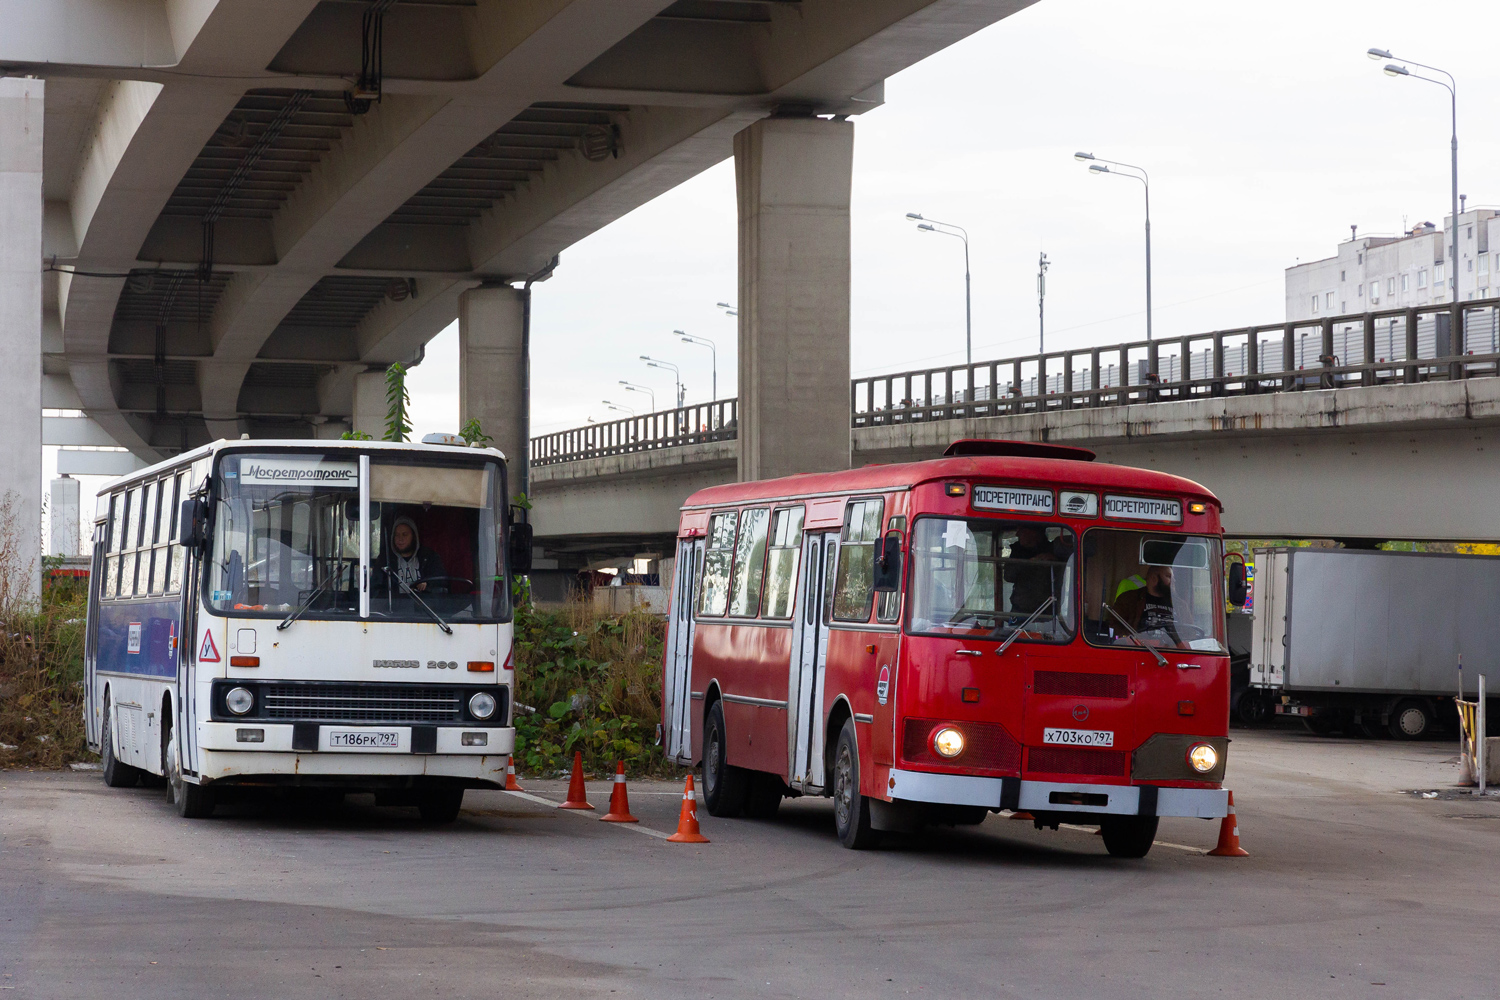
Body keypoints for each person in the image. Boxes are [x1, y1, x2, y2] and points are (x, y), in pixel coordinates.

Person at [375, 516, 446, 596]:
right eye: (396, 535)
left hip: (423, 607)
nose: (400, 539)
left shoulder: (429, 557)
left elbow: (441, 582)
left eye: (404, 534)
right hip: (394, 607)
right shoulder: (385, 560)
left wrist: (427, 584)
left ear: (414, 536)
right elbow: (376, 588)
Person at [1006, 525, 1062, 615]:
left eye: (1021, 530)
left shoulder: (1053, 550)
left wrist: (1055, 562)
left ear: (1033, 533)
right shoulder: (1017, 551)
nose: (1017, 534)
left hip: (1048, 610)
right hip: (1021, 609)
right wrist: (1029, 563)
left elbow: (1068, 576)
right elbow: (1008, 576)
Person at [1113, 565, 1176, 638]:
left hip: (1171, 648)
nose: (1174, 580)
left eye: (1173, 578)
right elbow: (1114, 625)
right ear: (1154, 579)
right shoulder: (1128, 599)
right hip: (1139, 647)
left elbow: (1189, 633)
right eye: (1168, 576)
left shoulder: (1180, 604)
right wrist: (1129, 640)